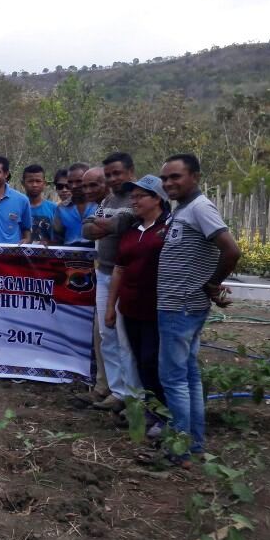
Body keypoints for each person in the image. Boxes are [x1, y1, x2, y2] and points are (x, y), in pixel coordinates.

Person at [157, 154, 240, 462]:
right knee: (188, 376)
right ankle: (193, 444)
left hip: (181, 306)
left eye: (175, 177)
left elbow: (231, 251)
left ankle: (178, 450)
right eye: (165, 178)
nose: (168, 184)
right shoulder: (184, 210)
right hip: (179, 305)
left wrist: (212, 283)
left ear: (195, 177)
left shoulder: (201, 208)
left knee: (174, 378)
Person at [106, 175, 169, 432]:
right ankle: (149, 410)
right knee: (139, 361)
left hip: (156, 308)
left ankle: (165, 414)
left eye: (140, 196)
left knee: (153, 360)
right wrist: (112, 306)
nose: (134, 201)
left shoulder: (168, 229)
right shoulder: (132, 231)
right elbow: (119, 269)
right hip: (130, 307)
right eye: (133, 197)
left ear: (157, 198)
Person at [82, 152, 139, 409]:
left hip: (126, 275)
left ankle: (132, 394)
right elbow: (87, 229)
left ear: (130, 172)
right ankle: (116, 391)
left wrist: (106, 224)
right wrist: (110, 224)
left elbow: (124, 223)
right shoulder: (108, 200)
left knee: (125, 336)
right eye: (110, 175)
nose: (114, 178)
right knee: (107, 334)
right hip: (103, 273)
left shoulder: (137, 197)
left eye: (117, 173)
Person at [51, 163, 97, 246]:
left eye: (79, 181)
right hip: (69, 257)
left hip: (97, 257)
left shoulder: (100, 204)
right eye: (70, 182)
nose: (74, 186)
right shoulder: (61, 208)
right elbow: (57, 238)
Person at [22, 164, 57, 243]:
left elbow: (58, 237)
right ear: (23, 183)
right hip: (19, 254)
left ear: (44, 183)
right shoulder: (17, 207)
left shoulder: (54, 208)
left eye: (38, 181)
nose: (34, 185)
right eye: (30, 181)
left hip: (46, 254)